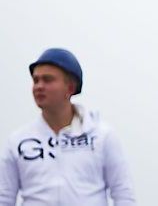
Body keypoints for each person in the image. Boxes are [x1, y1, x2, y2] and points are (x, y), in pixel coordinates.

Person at [0, 48, 136, 206]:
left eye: (48, 80)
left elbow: (123, 193)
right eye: (36, 80)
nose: (39, 86)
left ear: (70, 88)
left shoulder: (101, 136)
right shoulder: (18, 141)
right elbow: (4, 197)